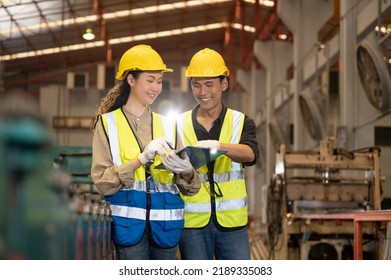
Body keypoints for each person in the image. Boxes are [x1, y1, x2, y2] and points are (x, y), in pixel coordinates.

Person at [91, 44, 200, 260]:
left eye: (159, 81)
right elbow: (102, 181)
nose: (156, 88)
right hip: (128, 228)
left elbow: (192, 187)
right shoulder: (107, 124)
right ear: (131, 80)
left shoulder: (169, 125)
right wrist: (139, 161)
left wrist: (187, 171)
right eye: (150, 80)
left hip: (166, 227)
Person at [176, 48, 259, 260]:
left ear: (223, 84)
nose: (203, 91)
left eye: (209, 84)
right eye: (197, 84)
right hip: (192, 224)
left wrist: (219, 146)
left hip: (232, 224)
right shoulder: (178, 124)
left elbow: (250, 154)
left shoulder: (241, 122)